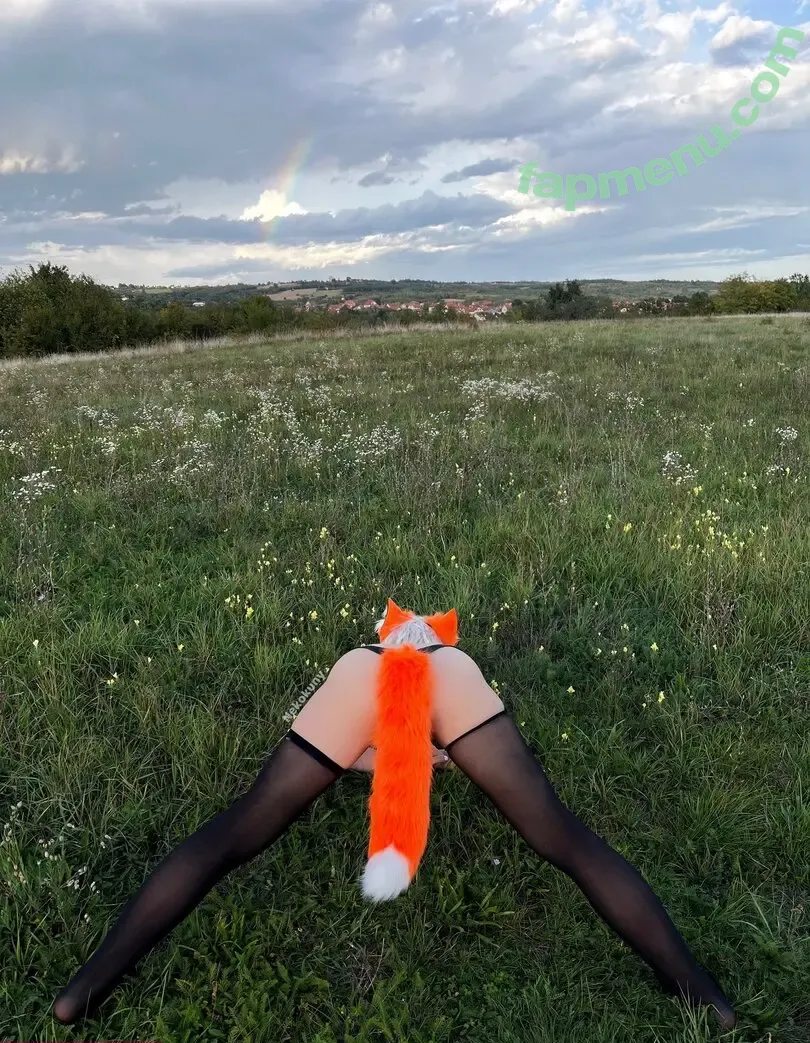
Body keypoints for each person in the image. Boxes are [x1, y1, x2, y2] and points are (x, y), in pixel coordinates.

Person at [53, 601, 737, 1029]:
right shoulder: (457, 662)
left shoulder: (358, 662)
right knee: (567, 840)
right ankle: (701, 992)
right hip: (453, 690)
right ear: (436, 634)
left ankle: (84, 989)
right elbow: (426, 737)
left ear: (381, 634)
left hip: (361, 687)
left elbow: (350, 751)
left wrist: (376, 749)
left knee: (234, 833)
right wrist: (444, 749)